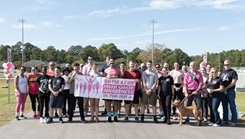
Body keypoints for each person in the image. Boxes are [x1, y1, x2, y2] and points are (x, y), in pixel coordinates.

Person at [220, 60, 238, 127]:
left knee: (232, 106)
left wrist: (226, 88)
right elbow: (220, 81)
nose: (226, 66)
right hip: (223, 92)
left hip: (230, 92)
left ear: (231, 65)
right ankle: (225, 120)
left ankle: (234, 121)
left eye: (228, 64)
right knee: (224, 106)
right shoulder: (222, 72)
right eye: (225, 65)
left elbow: (233, 82)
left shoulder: (233, 72)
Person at [104, 58, 122, 122]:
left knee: (116, 103)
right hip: (108, 89)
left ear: (114, 62)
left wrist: (117, 78)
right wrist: (106, 77)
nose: (111, 63)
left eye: (112, 62)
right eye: (110, 62)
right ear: (108, 62)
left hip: (116, 89)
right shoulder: (106, 70)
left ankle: (115, 116)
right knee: (108, 103)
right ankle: (109, 116)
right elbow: (103, 79)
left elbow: (121, 78)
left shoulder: (117, 70)